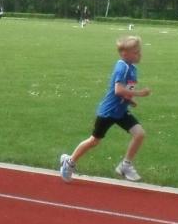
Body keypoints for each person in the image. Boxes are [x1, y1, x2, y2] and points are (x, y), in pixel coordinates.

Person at [59, 36, 151, 183]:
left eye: (139, 51)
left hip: (120, 112)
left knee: (139, 134)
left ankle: (125, 165)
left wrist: (130, 100)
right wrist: (140, 93)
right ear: (125, 54)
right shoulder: (122, 67)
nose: (139, 54)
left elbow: (125, 90)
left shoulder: (132, 68)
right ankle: (69, 162)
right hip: (108, 112)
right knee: (94, 141)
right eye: (135, 52)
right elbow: (118, 90)